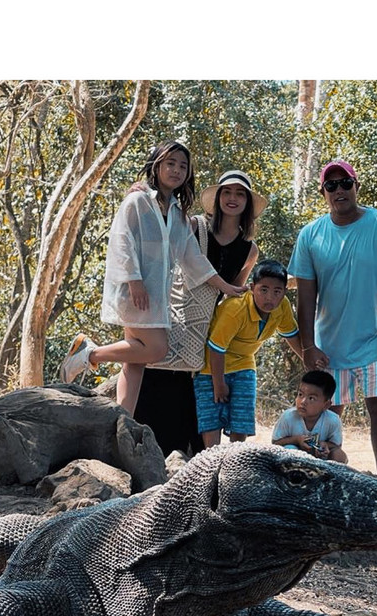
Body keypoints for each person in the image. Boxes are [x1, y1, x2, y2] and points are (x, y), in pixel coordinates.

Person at [59, 141, 247, 415]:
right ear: (156, 166)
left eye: (183, 166)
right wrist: (134, 280)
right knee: (156, 349)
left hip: (156, 297)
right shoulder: (137, 201)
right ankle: (89, 354)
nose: (176, 170)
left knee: (135, 362)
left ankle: (123, 418)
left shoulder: (176, 213)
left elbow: (192, 257)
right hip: (135, 292)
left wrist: (226, 287)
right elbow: (122, 241)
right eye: (170, 163)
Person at [288, 159, 377, 477]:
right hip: (330, 344)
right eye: (331, 186)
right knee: (326, 414)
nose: (339, 190)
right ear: (323, 193)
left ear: (356, 186)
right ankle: (319, 478)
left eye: (345, 183)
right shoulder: (310, 236)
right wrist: (308, 345)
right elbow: (305, 296)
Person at [133, 169, 267, 456]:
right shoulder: (194, 226)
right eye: (227, 192)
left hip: (205, 334)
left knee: (192, 404)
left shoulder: (249, 250)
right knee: (158, 383)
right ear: (217, 197)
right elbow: (158, 232)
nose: (233, 199)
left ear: (247, 203)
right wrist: (141, 195)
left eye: (240, 193)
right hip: (174, 318)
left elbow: (232, 295)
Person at [194, 259, 302, 448]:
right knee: (211, 417)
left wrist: (309, 361)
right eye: (264, 290)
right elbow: (216, 348)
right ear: (252, 288)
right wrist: (218, 384)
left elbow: (291, 336)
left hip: (244, 364)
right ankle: (211, 461)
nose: (270, 297)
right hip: (212, 367)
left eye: (277, 291)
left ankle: (236, 459)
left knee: (242, 416)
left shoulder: (282, 307)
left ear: (284, 292)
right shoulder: (236, 309)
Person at [271, 370, 348, 463]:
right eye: (300, 394)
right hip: (293, 463)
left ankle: (332, 477)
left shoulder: (333, 420)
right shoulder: (288, 417)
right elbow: (275, 443)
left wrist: (324, 445)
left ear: (326, 405)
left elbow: (336, 446)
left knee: (339, 455)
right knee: (289, 449)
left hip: (321, 461)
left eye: (311, 398)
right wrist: (296, 440)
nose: (303, 401)